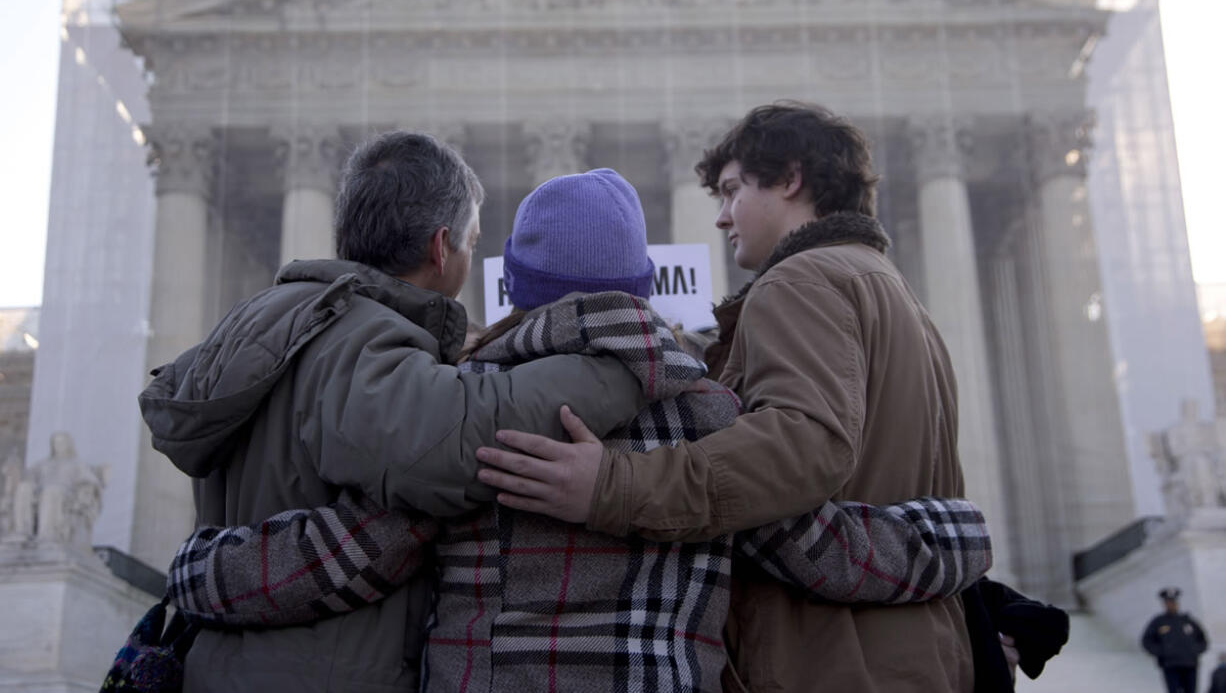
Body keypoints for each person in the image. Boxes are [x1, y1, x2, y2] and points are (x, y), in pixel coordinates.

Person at [162, 168, 994, 692]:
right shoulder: (702, 415)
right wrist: (959, 536)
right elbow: (830, 551)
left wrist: (199, 570)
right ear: (639, 285)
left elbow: (342, 555)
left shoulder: (474, 410)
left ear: (516, 285)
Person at [478, 103, 976, 691]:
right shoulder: (898, 296)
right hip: (910, 641)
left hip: (828, 651)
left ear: (790, 178)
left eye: (733, 190)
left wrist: (614, 484)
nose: (719, 218)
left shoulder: (801, 280)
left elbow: (797, 452)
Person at [137, 132, 651, 692]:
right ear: (441, 247)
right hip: (320, 673)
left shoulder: (273, 317)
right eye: (471, 243)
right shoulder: (357, 335)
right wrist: (621, 360)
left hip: (234, 665)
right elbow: (459, 441)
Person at [1141, 587, 1209, 693]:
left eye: (1173, 602)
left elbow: (1203, 640)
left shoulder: (1188, 620)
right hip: (1170, 665)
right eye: (1168, 602)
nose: (1171, 604)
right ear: (1164, 604)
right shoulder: (1159, 622)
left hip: (1189, 664)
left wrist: (1194, 650)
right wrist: (1162, 652)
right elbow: (1147, 641)